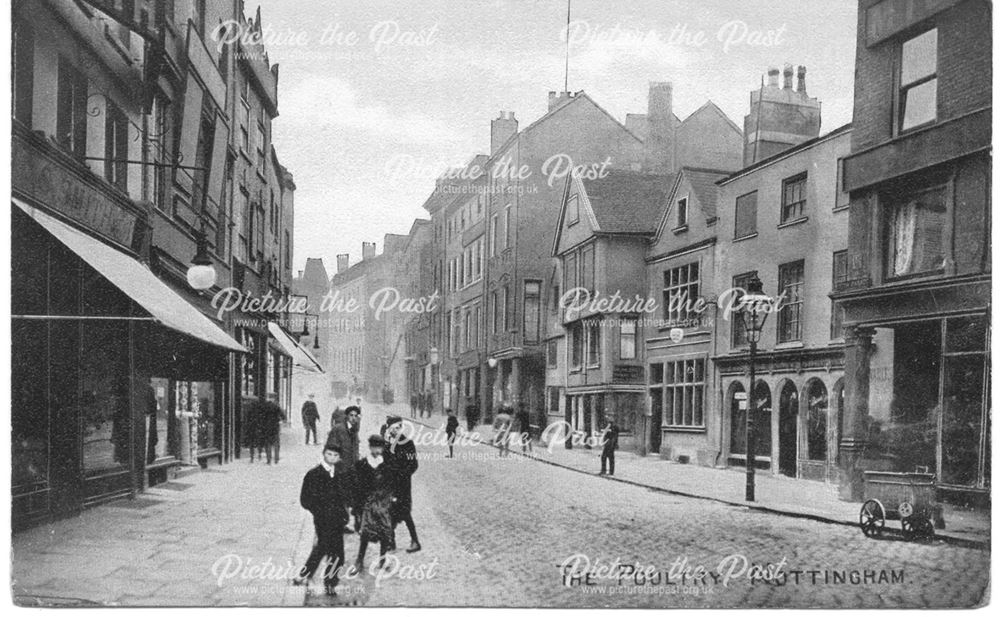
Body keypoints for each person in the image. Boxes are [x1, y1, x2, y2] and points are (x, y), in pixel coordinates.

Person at [294, 443, 349, 596]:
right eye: (329, 454)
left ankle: (327, 582)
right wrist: (319, 512)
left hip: (337, 520)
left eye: (335, 455)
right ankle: (312, 577)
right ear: (324, 453)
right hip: (323, 520)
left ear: (339, 458)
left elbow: (341, 496)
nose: (332, 457)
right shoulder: (314, 474)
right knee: (324, 547)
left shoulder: (337, 474)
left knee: (336, 553)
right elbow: (305, 500)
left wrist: (344, 515)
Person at [352, 434, 395, 573]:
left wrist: (392, 499)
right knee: (365, 532)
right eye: (374, 447)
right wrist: (357, 507)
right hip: (368, 504)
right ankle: (359, 560)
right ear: (370, 447)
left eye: (380, 448)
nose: (377, 451)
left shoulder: (387, 464)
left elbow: (392, 483)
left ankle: (382, 559)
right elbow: (357, 487)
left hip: (383, 503)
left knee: (385, 531)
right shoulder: (362, 464)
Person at [384, 416, 421, 553]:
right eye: (392, 428)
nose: (395, 431)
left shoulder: (408, 443)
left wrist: (402, 474)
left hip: (403, 484)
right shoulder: (387, 445)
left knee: (405, 513)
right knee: (389, 512)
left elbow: (414, 464)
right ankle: (391, 541)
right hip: (390, 485)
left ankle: (415, 541)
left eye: (398, 427)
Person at [258, 397, 286, 464]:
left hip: (267, 427)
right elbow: (283, 416)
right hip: (275, 427)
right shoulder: (276, 406)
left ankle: (269, 460)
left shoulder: (265, 406)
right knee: (276, 443)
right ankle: (276, 459)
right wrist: (281, 419)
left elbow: (261, 416)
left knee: (268, 443)